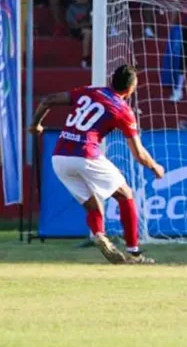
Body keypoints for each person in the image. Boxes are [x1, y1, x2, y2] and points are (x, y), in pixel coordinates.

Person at [28, 65, 164, 264]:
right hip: (86, 154)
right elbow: (139, 154)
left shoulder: (91, 91)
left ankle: (100, 234)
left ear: (111, 80)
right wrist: (155, 167)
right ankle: (134, 253)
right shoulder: (123, 110)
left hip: (59, 158)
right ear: (131, 89)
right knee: (125, 194)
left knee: (93, 205)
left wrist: (35, 124)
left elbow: (48, 100)